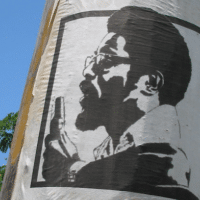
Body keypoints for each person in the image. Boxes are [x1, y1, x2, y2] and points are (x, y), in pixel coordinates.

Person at [42, 6, 198, 200]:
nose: (88, 71)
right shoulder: (110, 149)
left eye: (105, 60)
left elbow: (167, 164)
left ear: (150, 82)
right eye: (91, 60)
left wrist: (70, 169)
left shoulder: (168, 156)